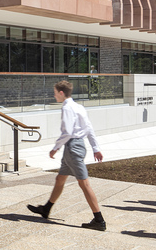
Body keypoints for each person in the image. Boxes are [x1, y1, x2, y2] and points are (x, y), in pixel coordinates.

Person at [26, 80, 106, 230]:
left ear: (61, 93)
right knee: (60, 178)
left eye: (55, 93)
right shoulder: (79, 107)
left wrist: (55, 148)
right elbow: (89, 128)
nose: (54, 95)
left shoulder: (67, 108)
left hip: (72, 147)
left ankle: (99, 220)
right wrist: (95, 148)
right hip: (78, 145)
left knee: (84, 183)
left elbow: (68, 132)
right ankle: (46, 209)